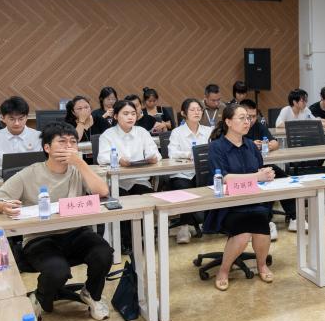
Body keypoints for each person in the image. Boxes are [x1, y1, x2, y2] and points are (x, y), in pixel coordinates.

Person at [0, 124, 113, 320]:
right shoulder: (29, 173)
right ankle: (39, 298)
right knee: (57, 270)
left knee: (103, 253)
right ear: (47, 148)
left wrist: (81, 163)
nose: (69, 146)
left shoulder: (79, 170)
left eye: (73, 142)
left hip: (76, 233)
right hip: (40, 237)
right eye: (62, 142)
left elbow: (103, 192)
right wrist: (3, 206)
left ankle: (91, 294)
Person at [205, 104, 276, 291]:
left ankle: (261, 265)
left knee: (261, 222)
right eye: (242, 118)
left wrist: (266, 174)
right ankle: (223, 271)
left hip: (252, 200)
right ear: (228, 122)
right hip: (227, 204)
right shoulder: (216, 147)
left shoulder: (251, 145)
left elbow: (258, 170)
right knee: (243, 231)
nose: (247, 122)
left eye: (248, 118)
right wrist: (257, 176)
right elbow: (224, 178)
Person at [97, 99, 161, 251]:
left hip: (139, 179)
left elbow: (155, 154)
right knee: (122, 201)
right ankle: (126, 241)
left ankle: (144, 237)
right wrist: (119, 160)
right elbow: (101, 157)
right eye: (125, 114)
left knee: (146, 196)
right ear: (116, 116)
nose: (130, 117)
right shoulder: (108, 135)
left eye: (133, 113)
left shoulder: (142, 132)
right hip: (117, 182)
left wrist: (152, 158)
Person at [242, 98, 297, 236]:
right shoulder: (236, 129)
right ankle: (266, 221)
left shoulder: (258, 126)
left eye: (254, 116)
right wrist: (251, 145)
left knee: (282, 178)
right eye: (248, 117)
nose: (251, 120)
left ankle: (294, 217)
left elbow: (275, 143)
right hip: (243, 170)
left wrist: (265, 145)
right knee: (265, 181)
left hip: (260, 165)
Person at [168, 98, 212, 244]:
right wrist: (189, 154)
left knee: (217, 183)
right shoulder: (177, 132)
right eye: (192, 110)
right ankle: (184, 226)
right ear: (183, 113)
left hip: (204, 172)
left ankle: (211, 222)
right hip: (183, 173)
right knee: (182, 187)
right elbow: (172, 153)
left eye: (199, 109)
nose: (196, 112)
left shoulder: (208, 131)